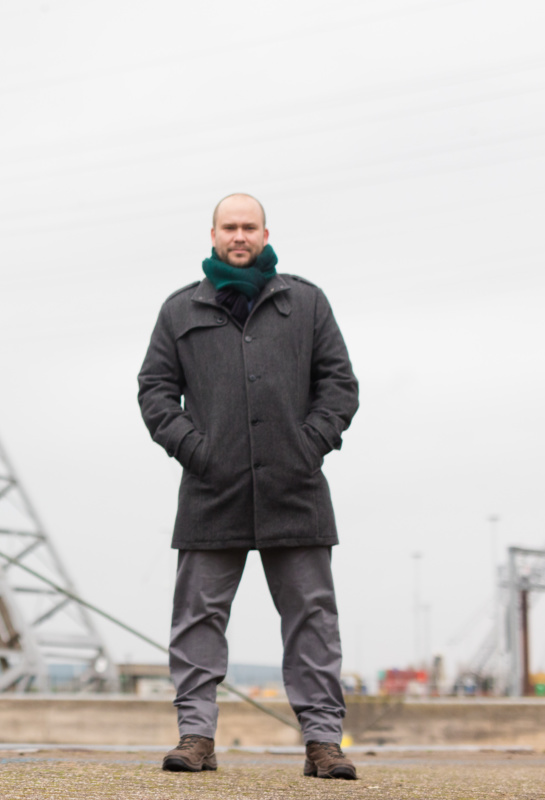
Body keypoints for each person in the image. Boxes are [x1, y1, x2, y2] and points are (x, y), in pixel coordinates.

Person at [137, 194, 359, 780]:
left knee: (313, 619)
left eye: (249, 227)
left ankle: (323, 742)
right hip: (211, 491)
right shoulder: (179, 310)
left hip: (296, 489)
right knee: (197, 618)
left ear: (265, 233)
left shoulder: (306, 303)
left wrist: (307, 446)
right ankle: (196, 737)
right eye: (230, 227)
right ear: (213, 235)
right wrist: (197, 450)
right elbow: (155, 392)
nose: (240, 236)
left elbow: (340, 384)